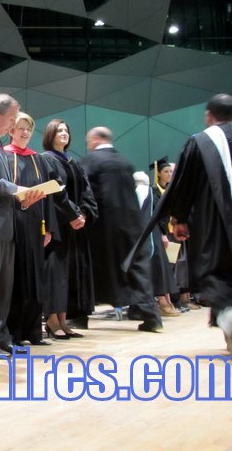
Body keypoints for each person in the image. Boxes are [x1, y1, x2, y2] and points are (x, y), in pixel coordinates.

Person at [128, 94, 232, 358]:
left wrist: (179, 219)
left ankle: (229, 315)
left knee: (214, 275)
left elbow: (184, 184)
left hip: (214, 226)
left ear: (209, 116)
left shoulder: (199, 143)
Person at [0, 95, 43, 356]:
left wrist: (22, 199)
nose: (14, 125)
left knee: (3, 288)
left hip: (4, 224)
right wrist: (17, 190)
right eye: (12, 118)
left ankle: (1, 338)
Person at [80, 127, 162, 332]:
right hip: (133, 224)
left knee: (89, 267)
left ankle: (79, 316)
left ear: (96, 139)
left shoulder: (91, 161)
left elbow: (86, 192)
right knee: (137, 268)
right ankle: (151, 316)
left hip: (105, 227)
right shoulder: (125, 161)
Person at [42, 119, 98, 338]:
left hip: (75, 227)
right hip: (58, 225)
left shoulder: (73, 162)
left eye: (66, 130)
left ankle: (63, 320)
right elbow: (55, 192)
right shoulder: (47, 159)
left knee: (68, 275)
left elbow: (86, 191)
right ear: (50, 135)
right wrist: (73, 215)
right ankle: (52, 320)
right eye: (59, 131)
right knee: (55, 274)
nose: (64, 133)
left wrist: (83, 213)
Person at [4, 112, 54, 346]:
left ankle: (34, 333)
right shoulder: (4, 156)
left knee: (36, 279)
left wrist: (49, 228)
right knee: (17, 279)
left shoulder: (38, 159)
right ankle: (14, 333)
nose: (25, 132)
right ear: (11, 131)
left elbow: (48, 196)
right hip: (14, 223)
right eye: (21, 128)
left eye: (28, 129)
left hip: (36, 226)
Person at [149, 157, 182, 316]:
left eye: (170, 171)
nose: (169, 174)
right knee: (163, 267)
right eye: (166, 171)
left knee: (173, 266)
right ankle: (164, 302)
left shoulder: (169, 190)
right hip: (161, 233)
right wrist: (163, 233)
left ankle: (172, 300)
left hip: (172, 231)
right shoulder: (154, 191)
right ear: (158, 174)